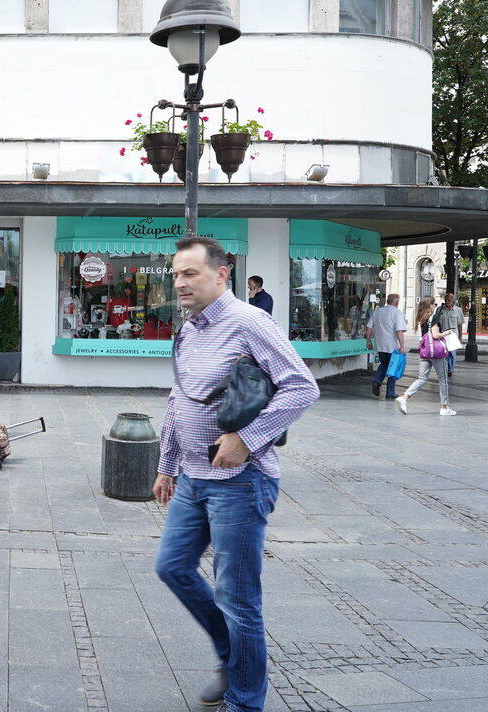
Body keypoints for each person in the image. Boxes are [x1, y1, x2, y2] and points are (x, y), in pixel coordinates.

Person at [154, 236, 319, 712]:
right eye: (176, 274)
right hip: (193, 477)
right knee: (172, 567)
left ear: (222, 274)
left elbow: (301, 387)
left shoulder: (249, 322)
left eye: (190, 273)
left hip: (242, 482)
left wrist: (246, 438)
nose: (180, 282)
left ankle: (245, 701)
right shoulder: (189, 328)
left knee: (238, 598)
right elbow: (180, 399)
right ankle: (234, 656)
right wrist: (166, 465)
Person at [395, 296, 457, 416]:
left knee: (422, 378)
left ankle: (404, 397)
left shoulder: (422, 317)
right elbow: (435, 335)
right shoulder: (434, 317)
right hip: (436, 353)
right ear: (430, 305)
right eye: (434, 304)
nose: (435, 306)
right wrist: (447, 332)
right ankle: (444, 407)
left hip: (425, 351)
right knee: (443, 379)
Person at [366, 293, 407, 399]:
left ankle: (377, 381)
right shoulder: (397, 313)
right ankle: (390, 392)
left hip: (380, 345)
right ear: (397, 302)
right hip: (392, 346)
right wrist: (402, 345)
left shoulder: (377, 311)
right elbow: (399, 331)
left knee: (384, 364)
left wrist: (368, 341)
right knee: (393, 367)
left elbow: (369, 327)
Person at [435, 292, 465, 377]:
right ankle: (444, 368)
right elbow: (436, 323)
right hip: (442, 334)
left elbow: (460, 325)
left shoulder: (458, 310)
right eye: (446, 300)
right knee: (443, 353)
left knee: (452, 353)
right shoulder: (439, 310)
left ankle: (450, 369)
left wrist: (460, 337)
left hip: (453, 335)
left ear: (453, 300)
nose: (447, 301)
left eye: (449, 300)